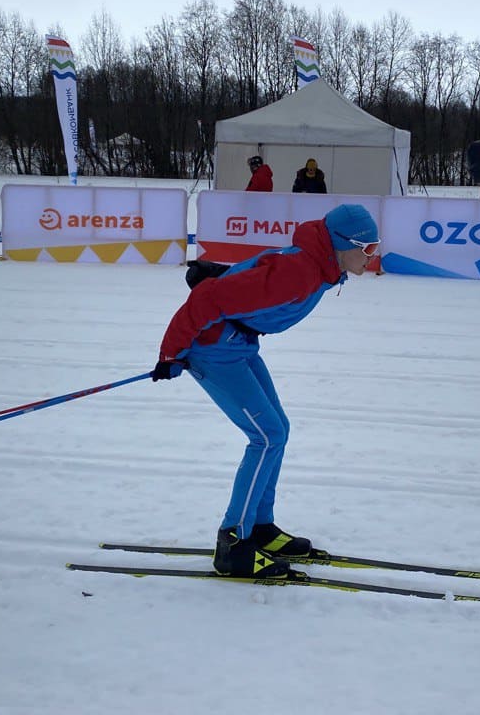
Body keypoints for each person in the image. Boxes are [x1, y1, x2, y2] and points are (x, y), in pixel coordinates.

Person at [150, 204, 381, 578]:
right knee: (266, 436)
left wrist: (231, 276)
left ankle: (259, 527)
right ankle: (233, 543)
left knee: (278, 430)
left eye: (375, 247)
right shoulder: (302, 273)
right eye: (366, 248)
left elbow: (256, 279)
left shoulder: (320, 267)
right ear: (341, 244)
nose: (372, 256)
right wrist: (170, 353)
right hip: (214, 348)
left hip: (238, 343)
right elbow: (207, 300)